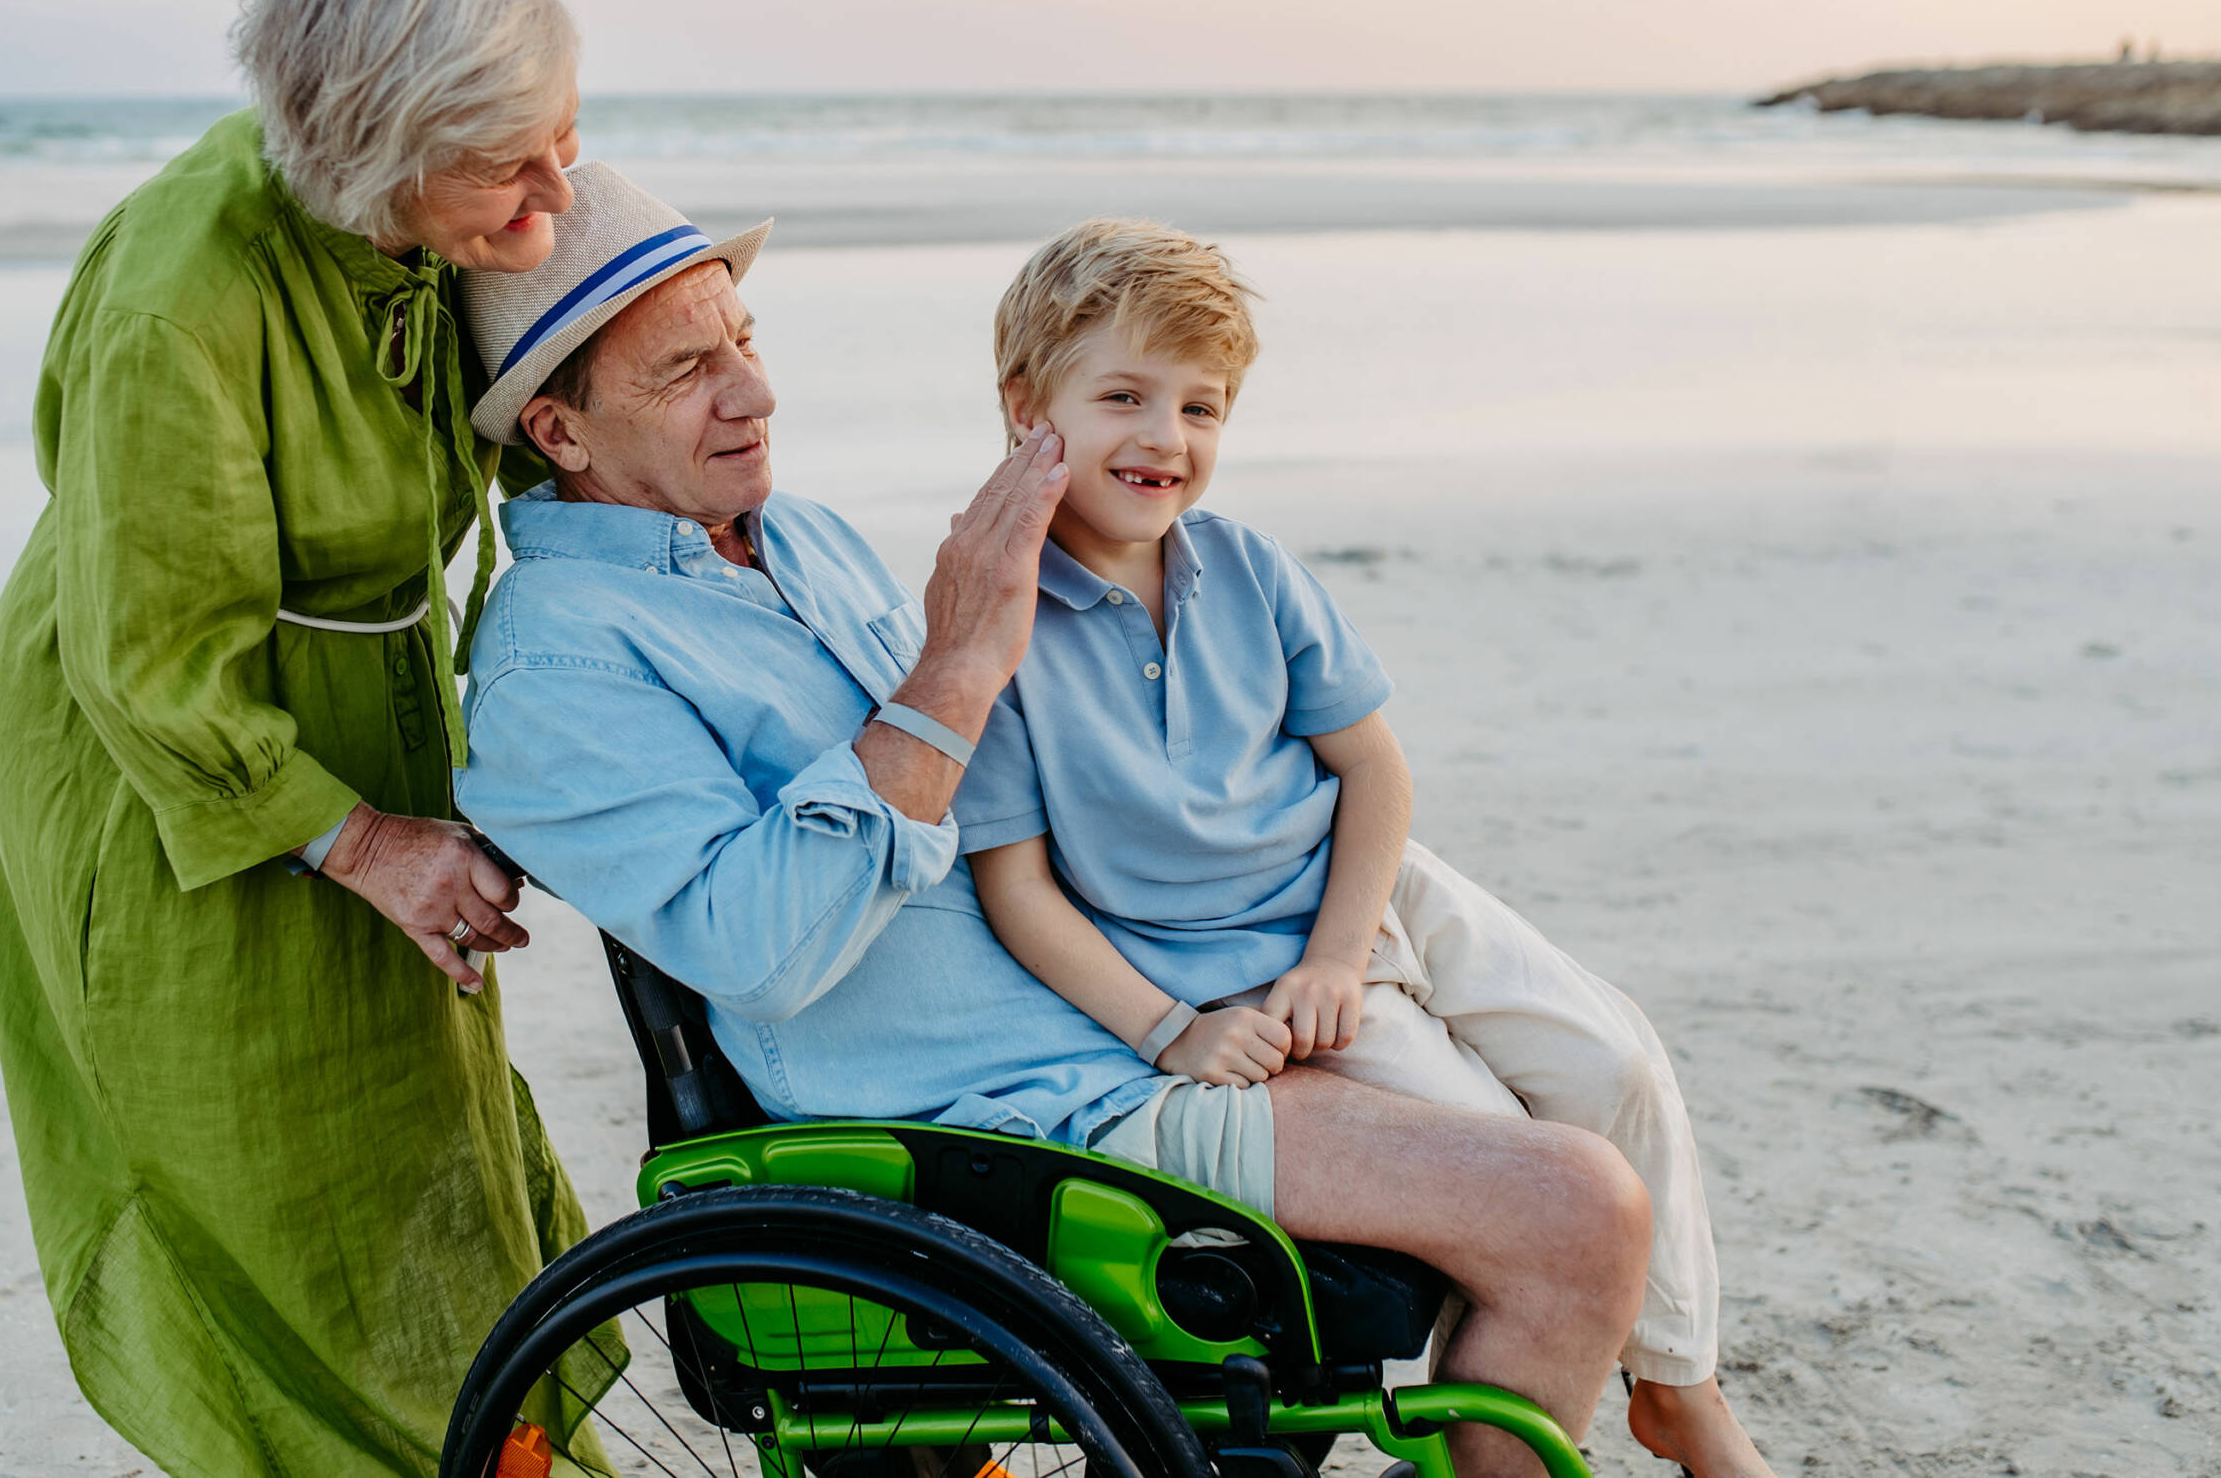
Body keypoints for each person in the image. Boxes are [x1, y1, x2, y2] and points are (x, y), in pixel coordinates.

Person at [452, 165, 1654, 1478]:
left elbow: (1015, 780)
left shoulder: (797, 536)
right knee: (1577, 1206)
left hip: (1138, 1007)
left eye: (746, 339)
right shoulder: (554, 670)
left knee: (1579, 1072)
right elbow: (762, 949)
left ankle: (1685, 1388)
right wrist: (955, 665)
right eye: (688, 369)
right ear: (561, 433)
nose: (755, 390)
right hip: (1012, 1116)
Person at [952, 217, 1776, 1478]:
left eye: (1200, 407)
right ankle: (1468, 1444)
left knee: (1614, 1060)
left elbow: (1373, 768)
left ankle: (1677, 1386)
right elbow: (1014, 887)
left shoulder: (1246, 568)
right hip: (1232, 964)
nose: (1165, 439)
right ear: (1026, 408)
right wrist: (1170, 1029)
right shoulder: (995, 623)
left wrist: (1347, 951)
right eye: (1122, 396)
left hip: (1374, 890)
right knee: (1518, 1175)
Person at [0, 0, 620, 1478]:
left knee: (431, 1123)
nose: (556, 190)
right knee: (268, 1164)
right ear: (372, 143)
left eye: (566, 134)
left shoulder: (454, 196)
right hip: (176, 759)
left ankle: (493, 1434)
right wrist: (368, 842)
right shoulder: (179, 296)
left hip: (358, 698)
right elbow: (150, 655)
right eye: (506, 162)